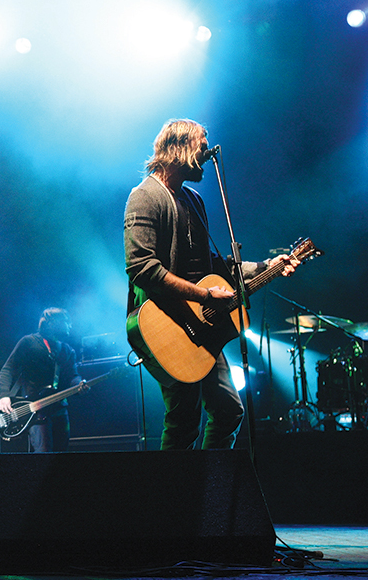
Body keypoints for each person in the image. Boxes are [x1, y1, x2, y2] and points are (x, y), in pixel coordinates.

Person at [124, 119, 295, 450]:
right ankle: (177, 486)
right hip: (166, 325)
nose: (207, 153)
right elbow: (142, 268)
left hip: (200, 329)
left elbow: (217, 265)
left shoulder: (193, 200)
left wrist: (267, 266)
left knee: (229, 412)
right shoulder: (145, 196)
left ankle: (212, 477)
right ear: (180, 147)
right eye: (202, 146)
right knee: (184, 422)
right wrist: (204, 295)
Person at [0, 308, 78, 453]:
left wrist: (79, 384)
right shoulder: (29, 342)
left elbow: (73, 376)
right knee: (43, 452)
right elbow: (8, 369)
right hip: (36, 408)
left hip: (59, 408)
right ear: (53, 323)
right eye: (66, 322)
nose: (70, 326)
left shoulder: (67, 350)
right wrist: (4, 395)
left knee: (62, 453)